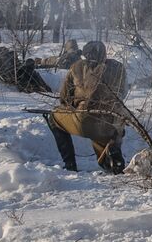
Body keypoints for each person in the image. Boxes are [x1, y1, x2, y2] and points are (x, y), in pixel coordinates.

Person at [44, 40, 127, 173]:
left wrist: (74, 107)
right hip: (111, 121)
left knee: (53, 117)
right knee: (103, 133)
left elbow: (64, 98)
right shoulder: (119, 67)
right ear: (105, 54)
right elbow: (122, 93)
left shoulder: (76, 66)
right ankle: (113, 160)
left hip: (84, 118)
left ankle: (70, 165)